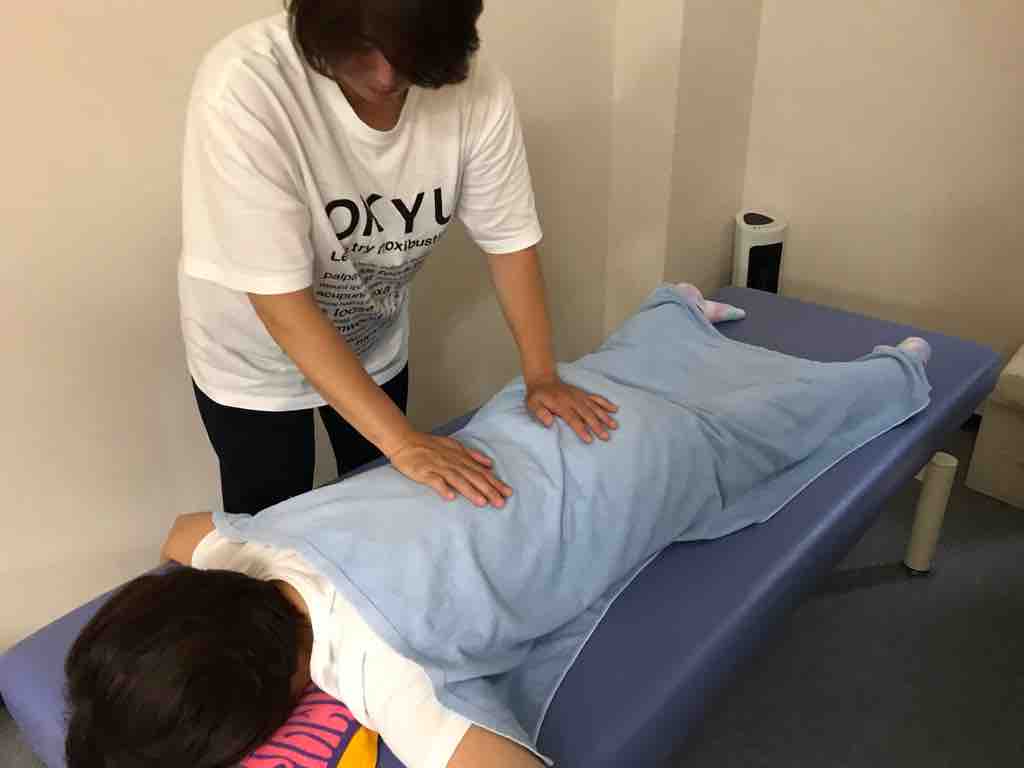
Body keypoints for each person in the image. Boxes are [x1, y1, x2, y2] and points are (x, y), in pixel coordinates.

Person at [65, 285, 934, 768]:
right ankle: (674, 311)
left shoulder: (388, 672)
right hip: (534, 416)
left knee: (762, 431)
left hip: (645, 464)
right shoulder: (251, 550)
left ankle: (893, 373)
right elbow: (183, 532)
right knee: (608, 375)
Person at [179, 0, 618, 518]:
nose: (386, 76)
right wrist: (403, 442)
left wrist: (541, 376)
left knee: (385, 508)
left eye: (408, 53)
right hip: (254, 358)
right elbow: (282, 306)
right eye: (363, 50)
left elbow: (510, 241)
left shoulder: (477, 91)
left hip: (371, 338)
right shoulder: (246, 86)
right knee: (270, 527)